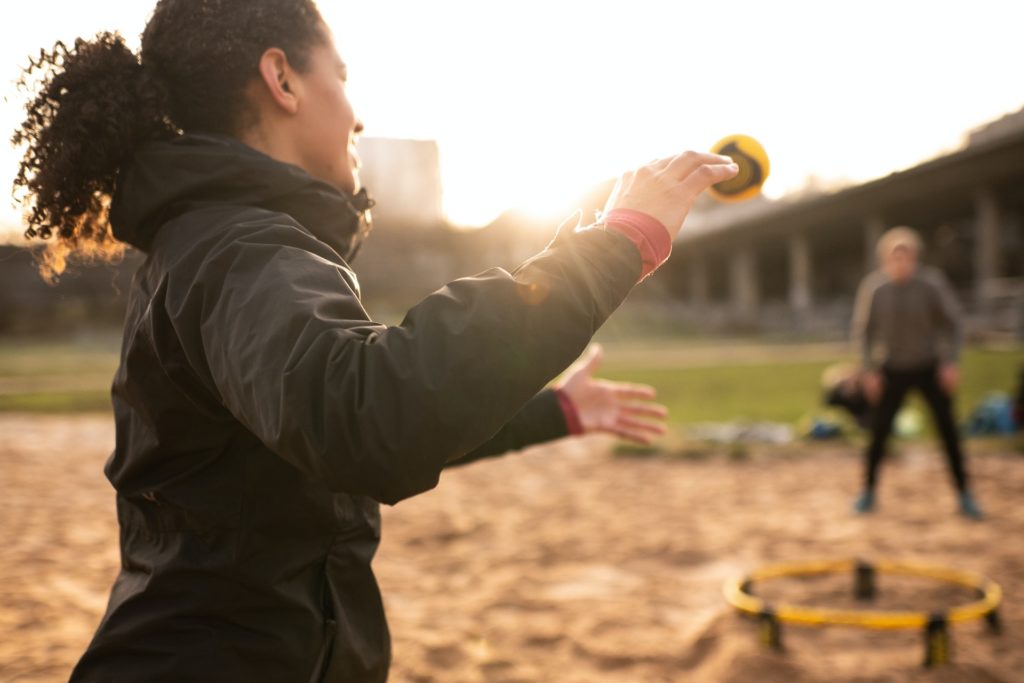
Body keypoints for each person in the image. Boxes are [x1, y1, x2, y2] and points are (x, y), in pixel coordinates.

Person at [12, 1, 739, 680]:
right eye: (344, 78)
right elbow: (367, 415)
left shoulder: (220, 238)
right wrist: (619, 246)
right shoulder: (240, 245)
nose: (357, 117)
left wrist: (557, 413)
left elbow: (340, 427)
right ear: (282, 79)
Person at [851, 226, 982, 519]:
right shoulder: (876, 289)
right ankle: (868, 493)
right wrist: (869, 371)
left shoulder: (930, 285)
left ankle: (964, 494)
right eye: (894, 258)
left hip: (928, 367)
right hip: (892, 370)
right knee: (878, 433)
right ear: (885, 260)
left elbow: (954, 324)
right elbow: (864, 334)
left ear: (914, 259)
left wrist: (950, 362)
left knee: (948, 431)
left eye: (905, 257)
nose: (900, 263)